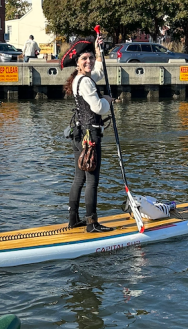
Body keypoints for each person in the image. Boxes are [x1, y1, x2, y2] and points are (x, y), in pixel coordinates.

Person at [61, 37, 114, 233]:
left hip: (78, 134)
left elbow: (99, 72)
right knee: (91, 180)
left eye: (91, 57)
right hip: (89, 137)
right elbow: (98, 107)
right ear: (77, 62)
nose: (89, 61)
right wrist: (108, 100)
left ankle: (73, 219)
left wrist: (100, 51)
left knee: (79, 178)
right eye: (85, 58)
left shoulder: (80, 79)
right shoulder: (85, 83)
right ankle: (91, 223)